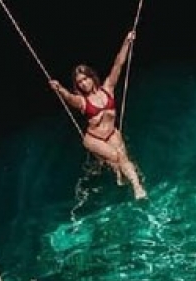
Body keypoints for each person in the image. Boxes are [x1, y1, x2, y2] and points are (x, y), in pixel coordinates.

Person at [49, 30, 147, 200]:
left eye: (86, 79)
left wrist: (126, 42)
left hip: (111, 133)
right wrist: (60, 89)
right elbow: (70, 99)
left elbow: (118, 65)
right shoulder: (82, 102)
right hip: (94, 139)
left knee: (123, 159)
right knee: (116, 156)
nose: (84, 84)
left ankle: (137, 187)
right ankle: (120, 172)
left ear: (92, 77)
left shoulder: (108, 89)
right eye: (80, 82)